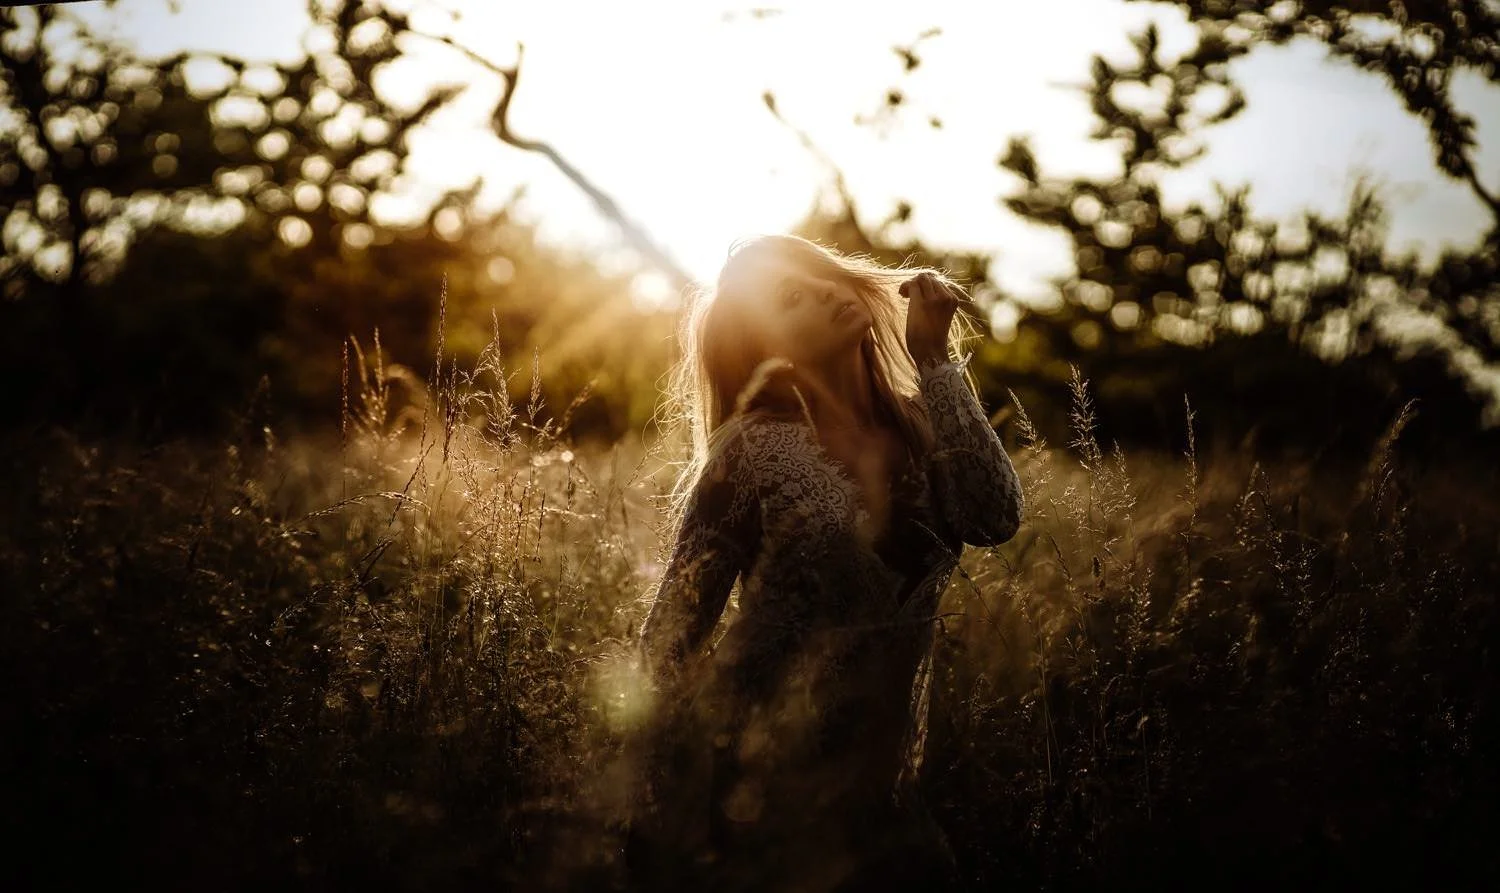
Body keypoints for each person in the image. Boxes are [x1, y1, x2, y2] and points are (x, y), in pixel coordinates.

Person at [623, 234, 1025, 892]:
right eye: (791, 297)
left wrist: (935, 361)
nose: (826, 291)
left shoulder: (926, 423)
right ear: (766, 348)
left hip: (885, 789)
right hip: (753, 785)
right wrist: (653, 798)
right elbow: (672, 633)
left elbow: (996, 517)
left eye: (820, 276)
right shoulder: (748, 455)